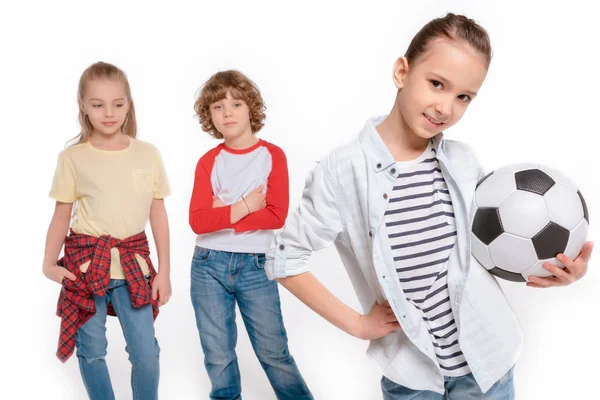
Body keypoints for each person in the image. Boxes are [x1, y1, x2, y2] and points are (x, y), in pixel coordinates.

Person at [265, 13, 594, 399]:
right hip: (414, 379)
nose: (445, 108)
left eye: (463, 97)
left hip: (488, 367)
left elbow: (493, 249)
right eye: (437, 84)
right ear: (402, 72)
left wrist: (556, 268)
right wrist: (357, 325)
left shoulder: (464, 163)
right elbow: (284, 258)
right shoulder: (343, 172)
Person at [42, 61, 172, 400]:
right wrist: (48, 263)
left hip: (134, 266)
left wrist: (165, 271)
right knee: (92, 349)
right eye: (98, 105)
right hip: (85, 266)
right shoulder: (73, 157)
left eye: (118, 103)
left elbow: (158, 214)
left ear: (129, 103)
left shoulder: (148, 154)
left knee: (146, 352)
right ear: (83, 107)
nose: (109, 113)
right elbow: (61, 216)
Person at [189, 70, 313, 400]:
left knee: (274, 351)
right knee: (218, 355)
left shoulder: (272, 156)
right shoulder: (208, 162)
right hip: (207, 264)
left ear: (251, 109)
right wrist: (246, 205)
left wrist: (224, 213)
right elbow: (198, 222)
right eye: (217, 106)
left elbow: (275, 215)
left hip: (257, 266)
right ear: (209, 116)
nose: (227, 112)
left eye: (236, 103)